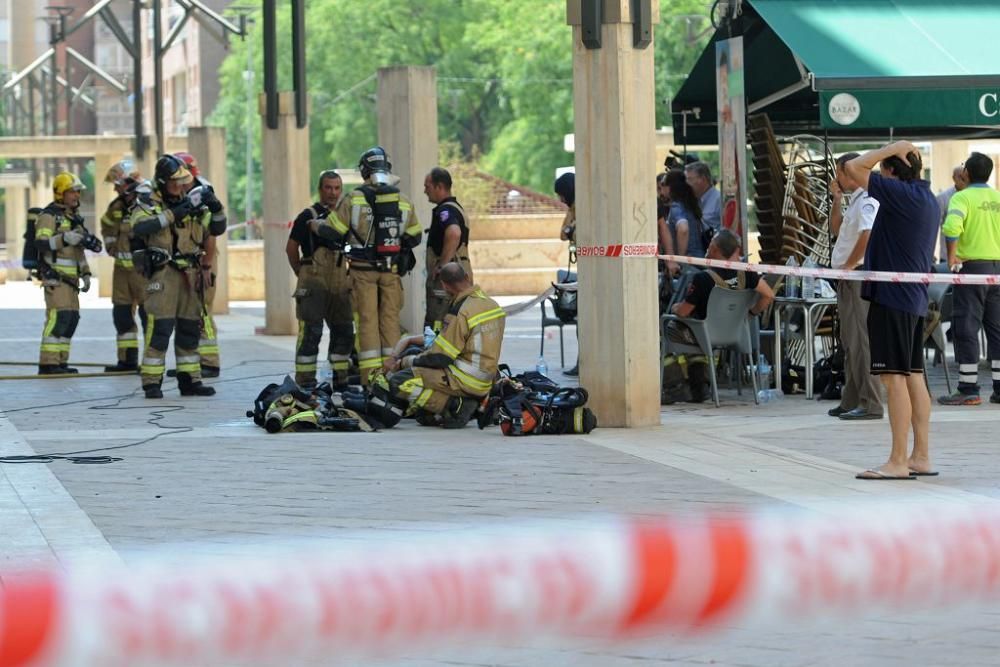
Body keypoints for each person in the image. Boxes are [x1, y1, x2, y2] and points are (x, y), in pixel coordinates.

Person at [844, 140, 939, 480]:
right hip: (912, 299)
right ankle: (921, 456)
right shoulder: (925, 197)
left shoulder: (898, 194)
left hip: (893, 299)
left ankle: (898, 461)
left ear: (890, 172)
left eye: (884, 166)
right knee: (913, 376)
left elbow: (853, 168)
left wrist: (890, 147)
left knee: (893, 378)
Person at [319, 146, 422, 386]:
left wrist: (316, 225)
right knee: (390, 323)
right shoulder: (403, 201)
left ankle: (371, 382)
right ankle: (392, 379)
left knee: (367, 323)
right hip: (391, 272)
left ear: (365, 171)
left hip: (362, 272)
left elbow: (333, 230)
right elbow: (415, 236)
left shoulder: (354, 198)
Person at [129, 155, 226, 398]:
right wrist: (172, 214)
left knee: (189, 329)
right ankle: (151, 382)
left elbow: (216, 228)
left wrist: (216, 208)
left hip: (191, 275)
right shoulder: (147, 200)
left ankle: (190, 380)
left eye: (183, 181)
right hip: (163, 274)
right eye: (174, 182)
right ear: (162, 181)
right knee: (160, 328)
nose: (180, 186)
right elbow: (140, 226)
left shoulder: (191, 201)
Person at [375, 263, 505, 428]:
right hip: (486, 379)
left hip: (464, 379)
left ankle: (455, 407)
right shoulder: (491, 304)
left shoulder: (460, 312)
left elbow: (441, 357)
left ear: (444, 285)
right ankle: (464, 403)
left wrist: (405, 362)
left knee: (400, 382)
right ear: (467, 277)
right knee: (423, 416)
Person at [662, 229, 773, 403]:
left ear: (714, 249)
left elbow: (684, 312)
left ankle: (674, 386)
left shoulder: (702, 279)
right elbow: (768, 295)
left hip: (703, 335)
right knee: (692, 331)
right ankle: (700, 387)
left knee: (663, 330)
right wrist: (750, 314)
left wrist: (676, 308)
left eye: (710, 245)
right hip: (735, 335)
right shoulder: (748, 275)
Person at [939, 152, 1000, 406]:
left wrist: (952, 257)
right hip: (998, 271)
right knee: (997, 330)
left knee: (966, 327)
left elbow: (952, 227)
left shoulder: (961, 197)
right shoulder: (997, 197)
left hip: (973, 270)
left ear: (966, 174)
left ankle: (968, 388)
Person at [827, 153, 883, 421]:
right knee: (850, 342)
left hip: (857, 276)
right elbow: (838, 229)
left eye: (838, 172)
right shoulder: (855, 200)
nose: (836, 177)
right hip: (848, 277)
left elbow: (868, 233)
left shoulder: (869, 199)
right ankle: (851, 398)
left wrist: (850, 265)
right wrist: (836, 199)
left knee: (862, 341)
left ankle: (871, 402)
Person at [286, 170, 354, 389]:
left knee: (344, 331)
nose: (333, 193)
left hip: (340, 280)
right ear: (320, 189)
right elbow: (291, 248)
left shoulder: (346, 217)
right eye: (328, 188)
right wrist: (301, 272)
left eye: (337, 188)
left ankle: (340, 379)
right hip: (313, 281)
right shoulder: (307, 215)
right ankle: (305, 382)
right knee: (311, 333)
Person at [33, 172, 92, 375]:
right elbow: (41, 243)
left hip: (72, 281)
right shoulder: (48, 216)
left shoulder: (73, 218)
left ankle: (60, 361)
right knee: (58, 318)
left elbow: (79, 251)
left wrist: (85, 272)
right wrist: (64, 239)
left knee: (71, 319)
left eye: (77, 192)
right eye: (72, 192)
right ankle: (48, 363)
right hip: (55, 278)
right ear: (61, 194)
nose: (77, 195)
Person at [175, 152, 226, 378]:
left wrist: (206, 266)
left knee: (202, 311)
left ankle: (209, 363)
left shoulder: (202, 195)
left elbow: (210, 235)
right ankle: (192, 363)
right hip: (192, 260)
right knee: (189, 313)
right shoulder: (188, 194)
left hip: (204, 259)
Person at [100, 161, 145, 373]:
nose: (115, 188)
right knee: (122, 316)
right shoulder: (117, 206)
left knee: (150, 318)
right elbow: (107, 224)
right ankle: (127, 361)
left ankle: (152, 362)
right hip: (121, 272)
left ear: (128, 182)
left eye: (117, 184)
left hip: (145, 272)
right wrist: (110, 243)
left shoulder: (148, 201)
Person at [423, 167, 473, 332]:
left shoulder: (446, 210)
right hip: (458, 272)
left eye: (427, 186)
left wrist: (442, 266)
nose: (425, 191)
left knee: (438, 322)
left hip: (447, 277)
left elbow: (453, 233)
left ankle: (436, 354)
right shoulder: (456, 208)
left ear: (440, 186)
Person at [664, 169, 706, 275]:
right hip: (699, 261)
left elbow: (683, 228)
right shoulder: (690, 205)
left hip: (689, 267)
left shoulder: (676, 206)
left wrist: (680, 259)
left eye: (663, 185)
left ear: (670, 187)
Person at [936, 165, 968, 261]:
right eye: (960, 177)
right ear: (953, 178)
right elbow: (934, 227)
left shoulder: (973, 198)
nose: (964, 179)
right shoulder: (942, 198)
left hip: (968, 257)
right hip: (948, 256)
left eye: (965, 177)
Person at [684, 161, 722, 234]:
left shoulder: (719, 200)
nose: (686, 184)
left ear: (703, 179)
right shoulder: (692, 200)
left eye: (689, 179)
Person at [554, 172, 576, 244]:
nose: (561, 200)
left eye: (562, 195)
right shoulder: (572, 210)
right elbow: (563, 236)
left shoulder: (582, 209)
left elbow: (564, 235)